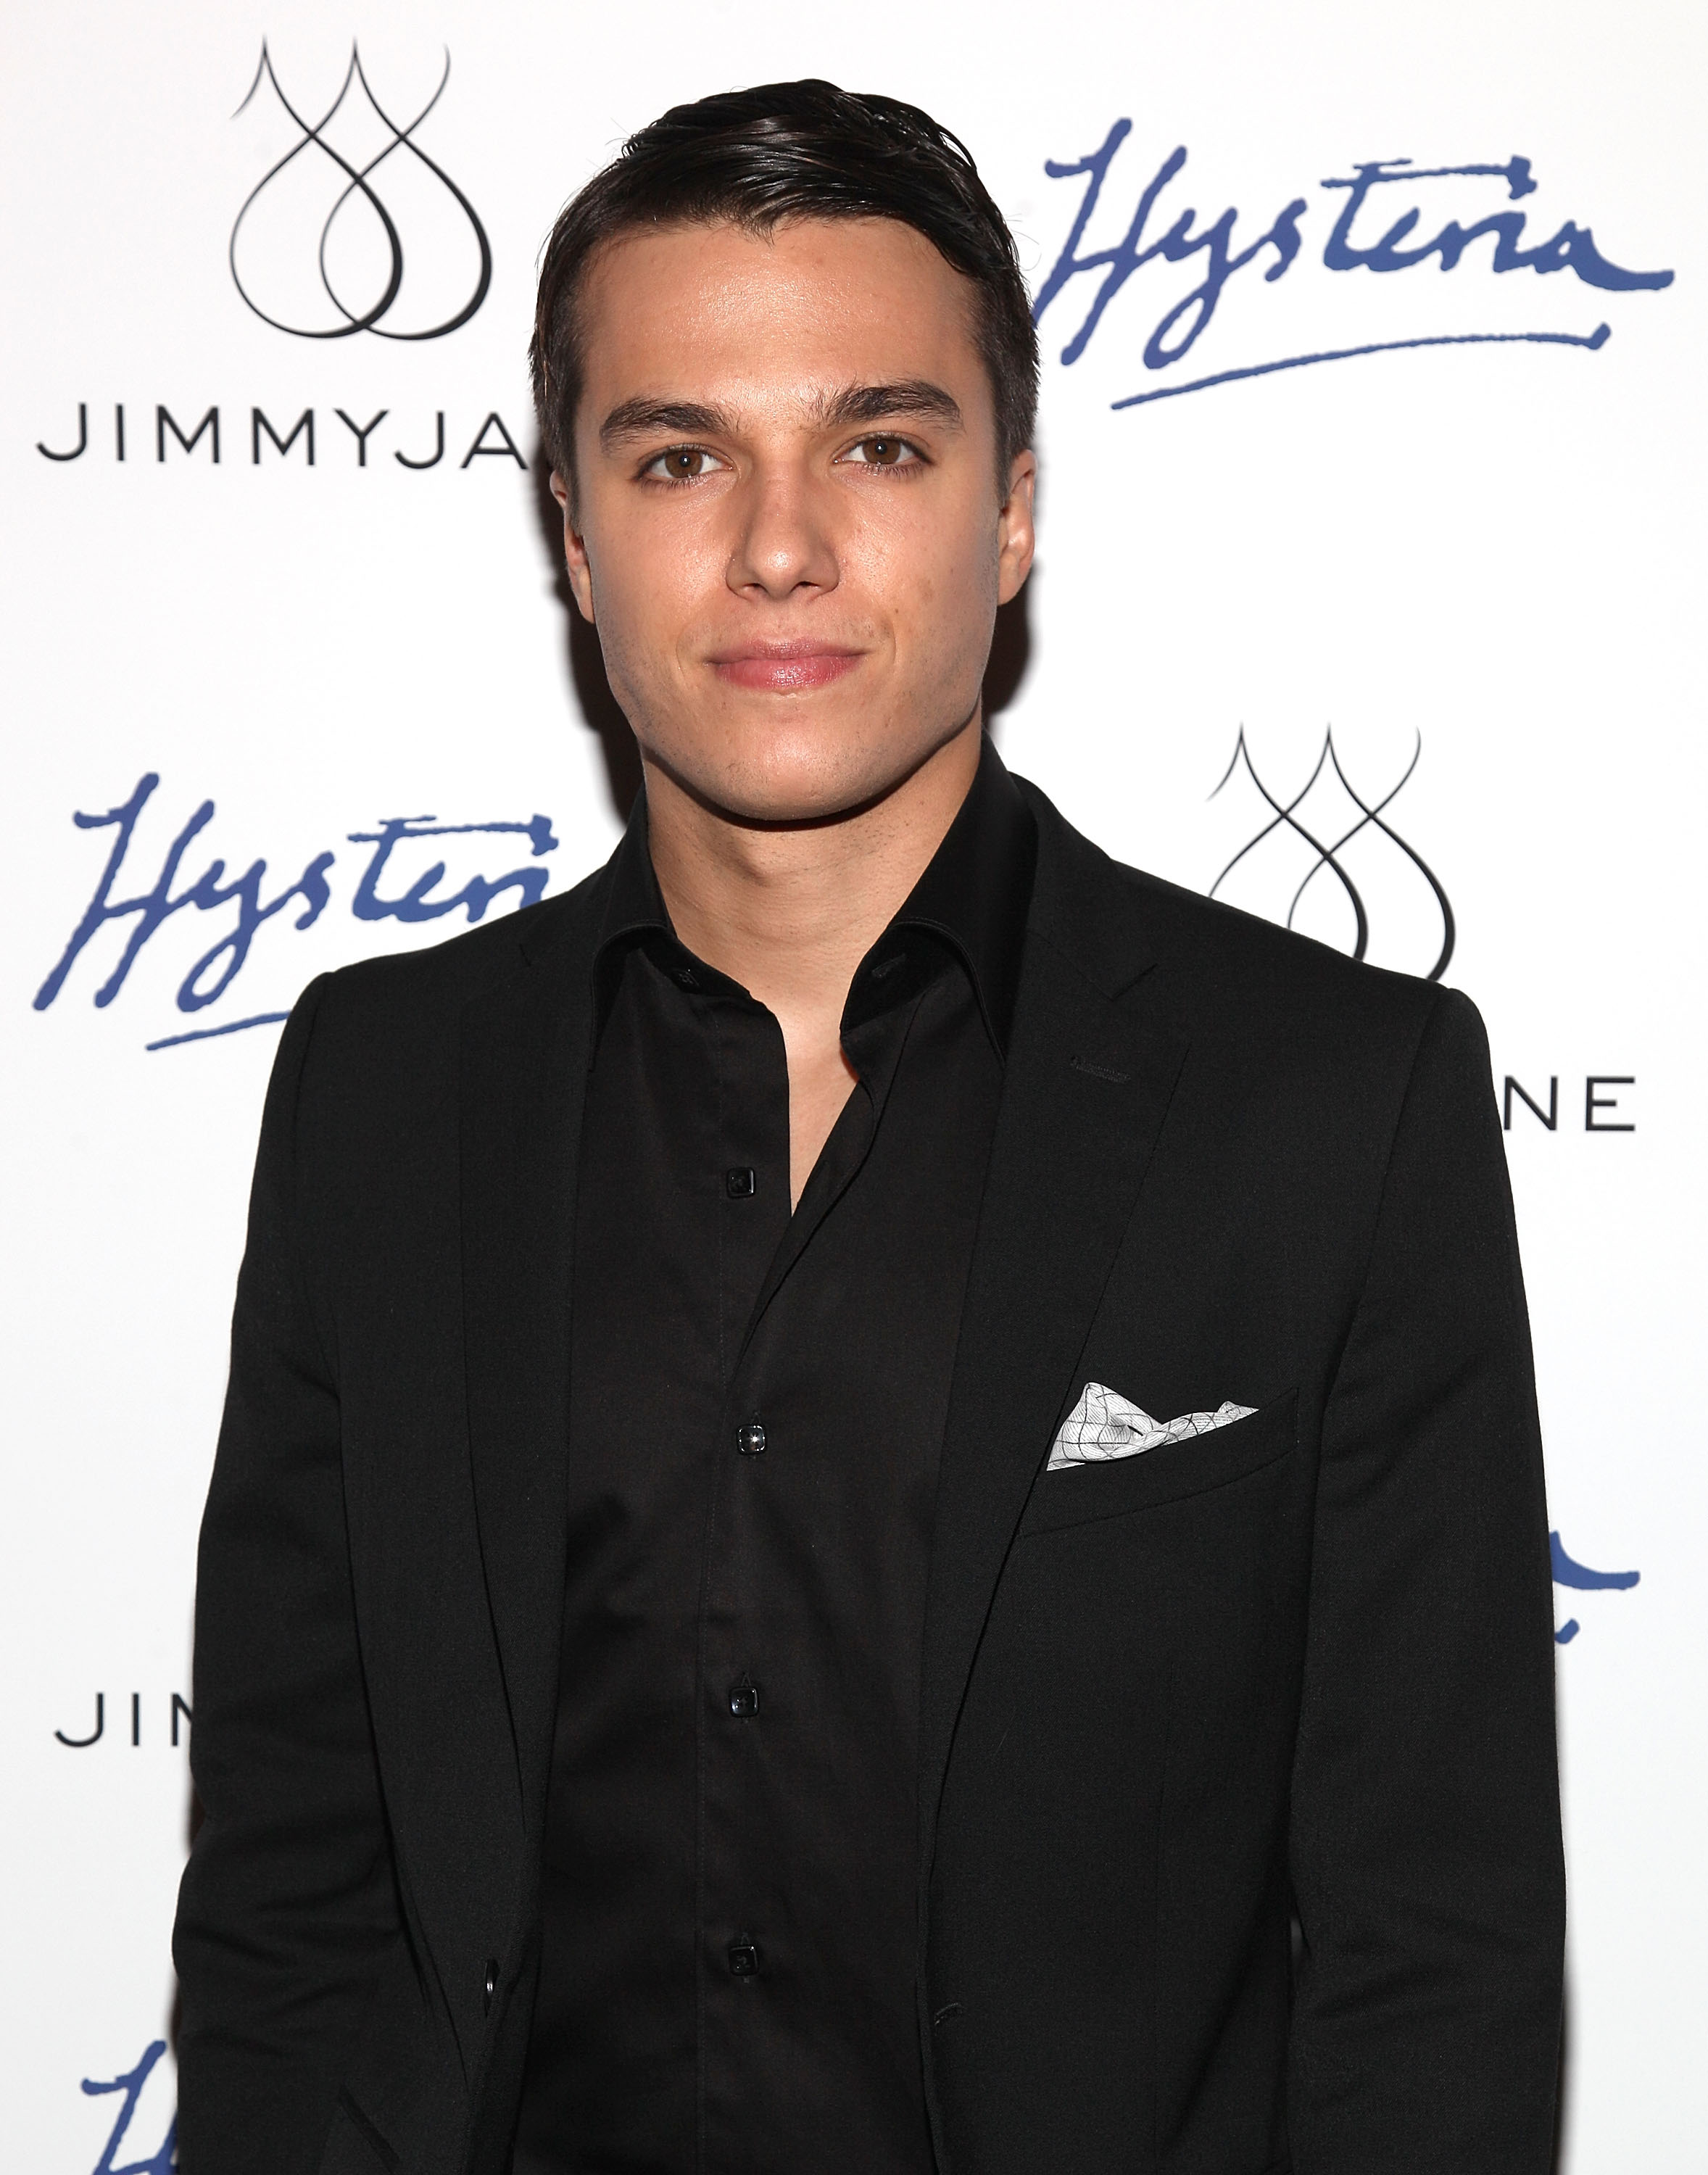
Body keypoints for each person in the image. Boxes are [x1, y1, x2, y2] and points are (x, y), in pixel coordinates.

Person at [173, 79, 1564, 2175]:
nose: (781, 546)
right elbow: (293, 1878)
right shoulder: (385, 1089)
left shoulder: (1332, 1101)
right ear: (569, 529)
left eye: (880, 444)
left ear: (1010, 510)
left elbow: (1427, 1953)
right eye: (678, 455)